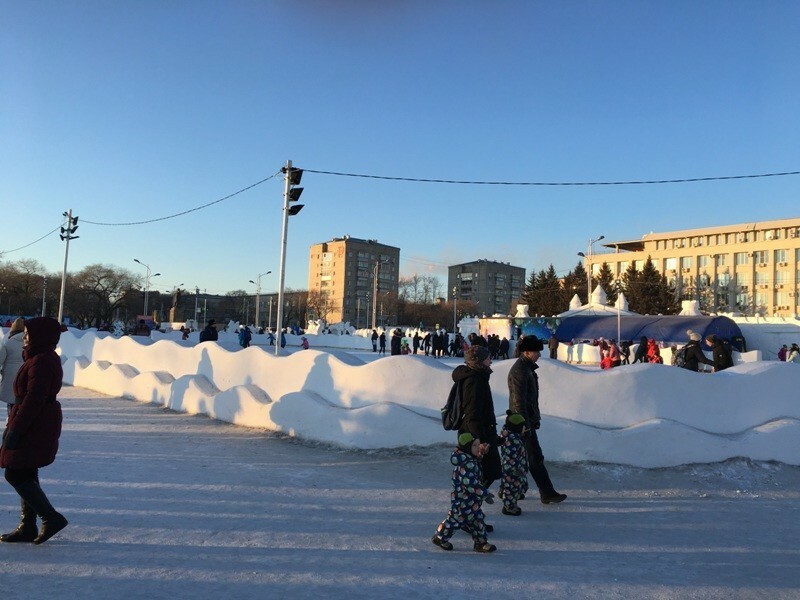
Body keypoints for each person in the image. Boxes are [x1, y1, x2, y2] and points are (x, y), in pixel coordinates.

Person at [0, 317, 68, 545]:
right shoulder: (39, 357)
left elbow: (33, 400)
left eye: (28, 334)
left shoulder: (42, 361)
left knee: (14, 472)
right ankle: (27, 526)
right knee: (26, 471)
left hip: (34, 423)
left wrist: (16, 429)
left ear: (40, 336)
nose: (24, 338)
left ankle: (50, 517)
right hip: (34, 419)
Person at [508, 335, 567, 504]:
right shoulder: (520, 370)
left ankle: (514, 490)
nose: (540, 355)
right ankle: (546, 492)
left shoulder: (526, 368)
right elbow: (518, 400)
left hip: (525, 421)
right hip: (521, 423)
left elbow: (529, 399)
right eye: (537, 352)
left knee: (522, 459)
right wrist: (525, 424)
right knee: (534, 458)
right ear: (527, 352)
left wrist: (534, 418)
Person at [431, 432, 496, 553]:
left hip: (472, 502)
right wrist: (484, 493)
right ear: (467, 448)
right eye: (475, 446)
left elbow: (474, 462)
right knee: (454, 522)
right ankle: (440, 537)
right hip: (462, 502)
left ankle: (480, 544)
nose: (478, 447)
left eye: (478, 444)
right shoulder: (463, 467)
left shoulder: (470, 459)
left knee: (478, 521)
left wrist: (481, 453)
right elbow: (470, 483)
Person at [454, 345, 502, 488]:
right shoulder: (474, 381)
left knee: (486, 472)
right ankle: (469, 504)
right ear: (479, 361)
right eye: (488, 358)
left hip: (482, 431)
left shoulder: (479, 377)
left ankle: (471, 504)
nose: (491, 361)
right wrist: (479, 441)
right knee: (488, 472)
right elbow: (472, 412)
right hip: (478, 433)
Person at [498, 412, 529, 516]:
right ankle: (509, 507)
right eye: (523, 426)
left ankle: (509, 494)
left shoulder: (512, 436)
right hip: (513, 469)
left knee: (512, 484)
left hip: (514, 467)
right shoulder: (513, 440)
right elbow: (511, 457)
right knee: (511, 487)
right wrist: (517, 469)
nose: (525, 428)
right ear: (517, 427)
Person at [0, 318, 26, 417]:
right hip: (26, 378)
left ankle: (11, 422)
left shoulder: (8, 343)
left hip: (11, 380)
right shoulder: (29, 343)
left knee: (12, 404)